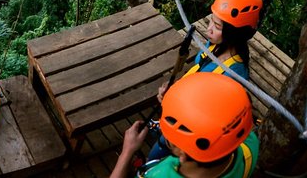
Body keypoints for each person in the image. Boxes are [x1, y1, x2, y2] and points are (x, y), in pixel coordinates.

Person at [148, 0, 262, 161]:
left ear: (234, 33)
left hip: (192, 128)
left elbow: (210, 118)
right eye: (211, 21)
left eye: (216, 26)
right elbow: (198, 72)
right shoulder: (215, 45)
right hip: (185, 106)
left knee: (156, 155)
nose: (208, 29)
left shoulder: (233, 77)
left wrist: (174, 103)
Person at [111, 73, 258, 178]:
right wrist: (177, 103)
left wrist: (127, 152)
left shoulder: (161, 174)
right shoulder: (250, 145)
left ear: (181, 152)